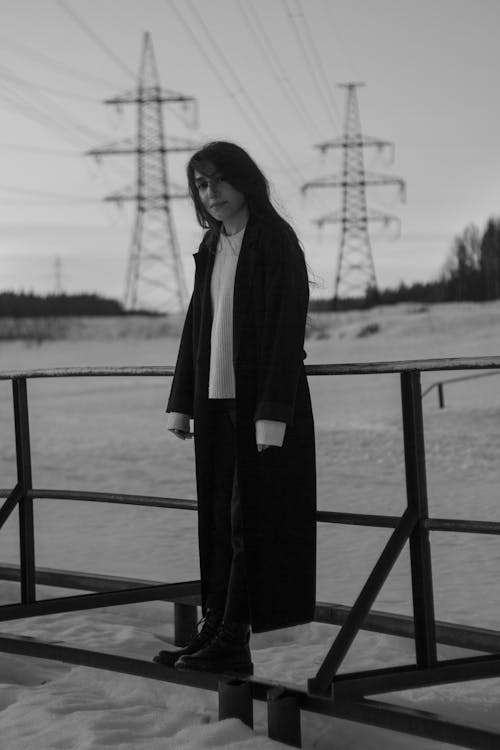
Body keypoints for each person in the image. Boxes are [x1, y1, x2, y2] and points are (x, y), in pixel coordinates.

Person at [153, 141, 316, 676]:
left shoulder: (274, 240)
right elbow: (195, 324)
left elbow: (286, 333)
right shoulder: (211, 243)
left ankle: (235, 635)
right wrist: (181, 402)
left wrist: (274, 412)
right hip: (215, 402)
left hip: (260, 406)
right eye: (201, 184)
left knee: (252, 522)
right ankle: (215, 625)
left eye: (219, 180)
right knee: (219, 521)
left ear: (245, 180)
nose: (211, 193)